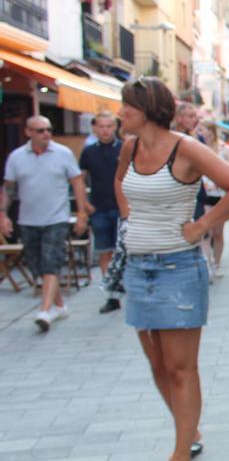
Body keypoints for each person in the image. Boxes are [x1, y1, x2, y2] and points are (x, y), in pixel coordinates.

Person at [114, 76, 229, 461]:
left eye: (126, 107)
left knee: (180, 368)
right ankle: (188, 434)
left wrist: (203, 226)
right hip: (138, 268)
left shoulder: (186, 148)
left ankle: (180, 460)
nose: (120, 113)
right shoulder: (129, 148)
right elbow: (120, 185)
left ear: (147, 110)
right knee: (157, 365)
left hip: (177, 268)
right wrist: (130, 222)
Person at [1, 115, 91, 331]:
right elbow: (9, 188)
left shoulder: (63, 154)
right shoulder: (17, 157)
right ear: (28, 132)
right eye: (40, 130)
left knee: (51, 262)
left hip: (56, 218)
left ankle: (44, 310)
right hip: (29, 220)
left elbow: (77, 183)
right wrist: (3, 215)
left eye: (48, 129)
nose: (46, 134)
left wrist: (81, 213)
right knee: (38, 265)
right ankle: (59, 305)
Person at [78, 110, 124, 313]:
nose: (105, 130)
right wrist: (84, 205)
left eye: (109, 126)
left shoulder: (124, 149)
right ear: (95, 129)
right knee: (104, 250)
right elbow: (80, 178)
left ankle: (122, 283)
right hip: (99, 207)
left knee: (122, 250)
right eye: (102, 126)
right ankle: (111, 292)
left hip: (121, 207)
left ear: (115, 127)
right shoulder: (89, 152)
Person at [198, 121, 229, 276]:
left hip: (220, 195)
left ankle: (217, 263)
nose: (201, 132)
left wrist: (222, 184)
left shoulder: (224, 149)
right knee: (206, 231)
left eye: (203, 129)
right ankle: (208, 262)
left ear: (211, 131)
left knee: (218, 232)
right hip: (204, 194)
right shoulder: (198, 149)